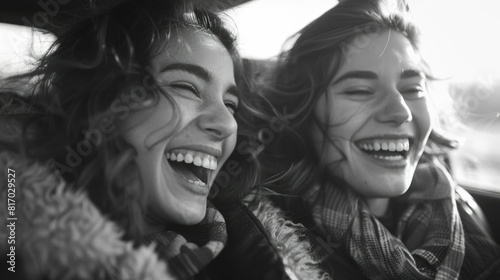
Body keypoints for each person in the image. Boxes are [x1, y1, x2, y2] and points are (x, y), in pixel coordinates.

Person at [0, 1, 328, 279]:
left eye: (230, 105)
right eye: (185, 87)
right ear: (100, 102)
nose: (226, 123)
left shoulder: (252, 252)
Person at [243, 0, 500, 279]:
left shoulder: (462, 209)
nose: (401, 112)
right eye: (360, 90)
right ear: (302, 114)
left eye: (413, 88)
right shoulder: (272, 250)